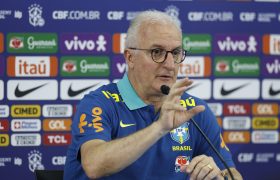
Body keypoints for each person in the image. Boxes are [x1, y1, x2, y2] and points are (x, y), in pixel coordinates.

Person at [64, 10, 243, 180]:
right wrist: (159, 128)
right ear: (130, 57)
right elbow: (94, 164)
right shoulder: (100, 103)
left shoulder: (194, 110)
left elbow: (233, 173)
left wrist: (217, 176)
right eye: (157, 52)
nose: (170, 64)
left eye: (175, 53)